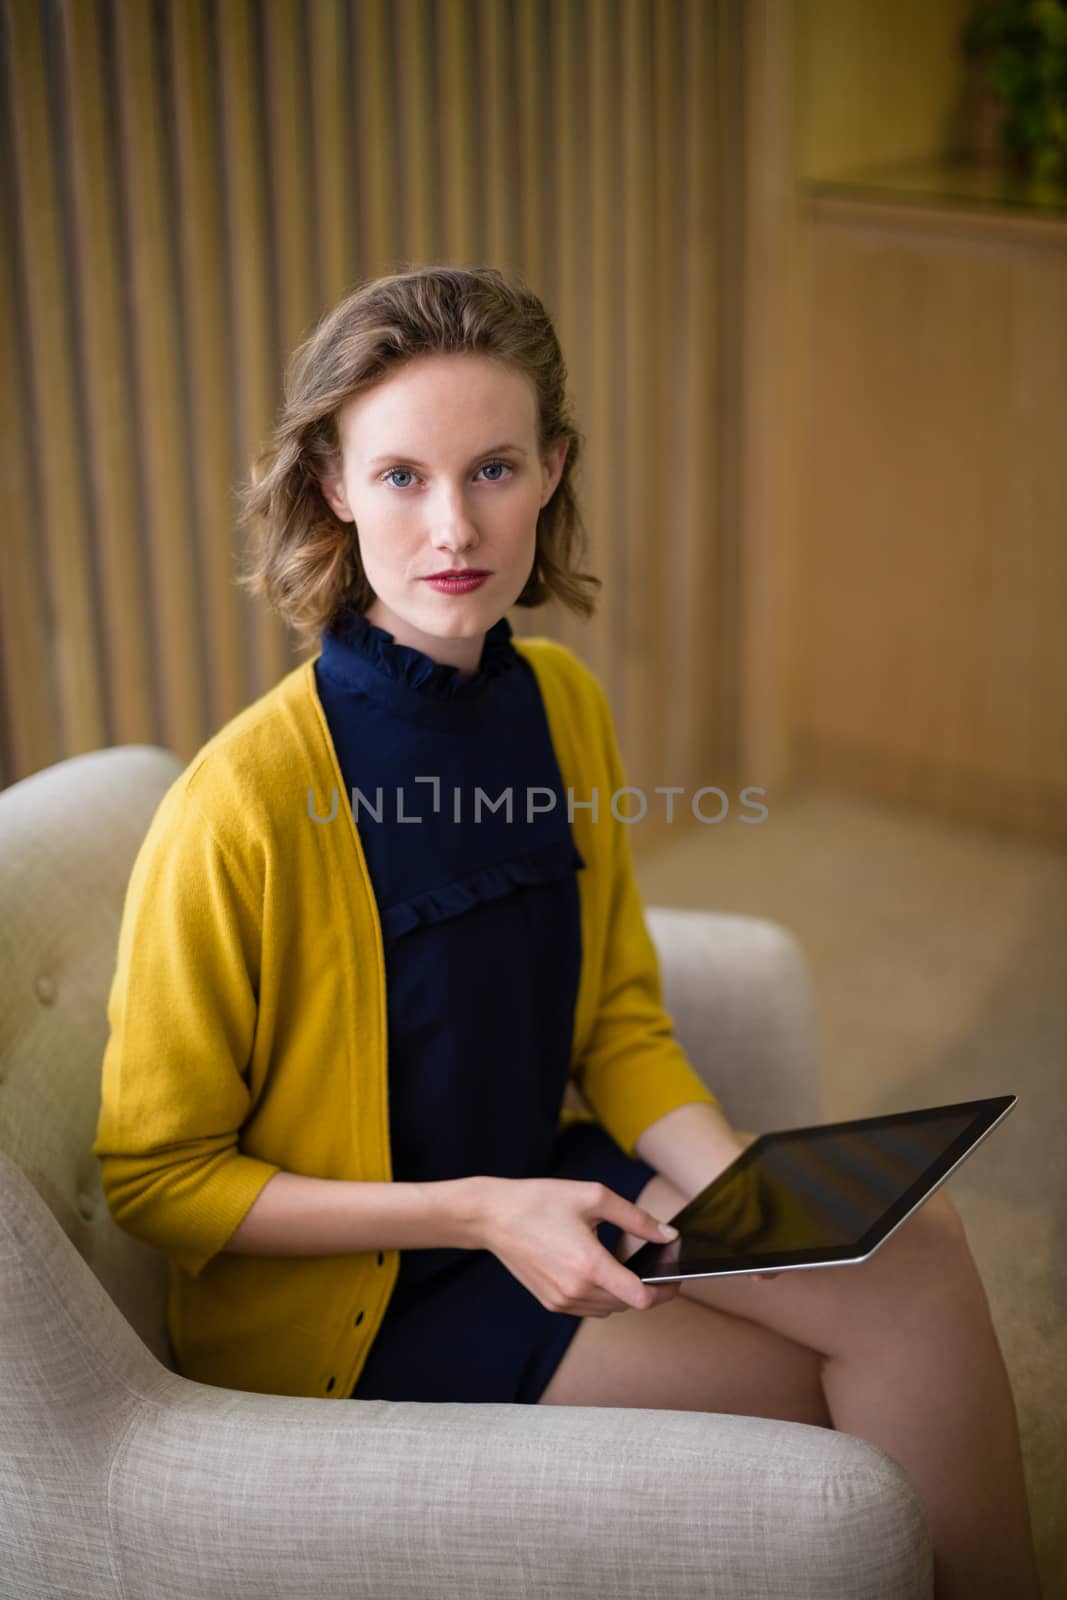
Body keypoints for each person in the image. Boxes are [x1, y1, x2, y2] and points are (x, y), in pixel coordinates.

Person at [93, 265, 1041, 1598]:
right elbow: (155, 1177)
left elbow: (616, 1020)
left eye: (491, 470)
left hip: (561, 1189)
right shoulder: (241, 804)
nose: (451, 526)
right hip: (371, 1303)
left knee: (914, 1259)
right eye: (401, 477)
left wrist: (733, 1199)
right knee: (836, 1406)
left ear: (553, 469)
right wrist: (481, 1213)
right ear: (333, 487)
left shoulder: (565, 704)